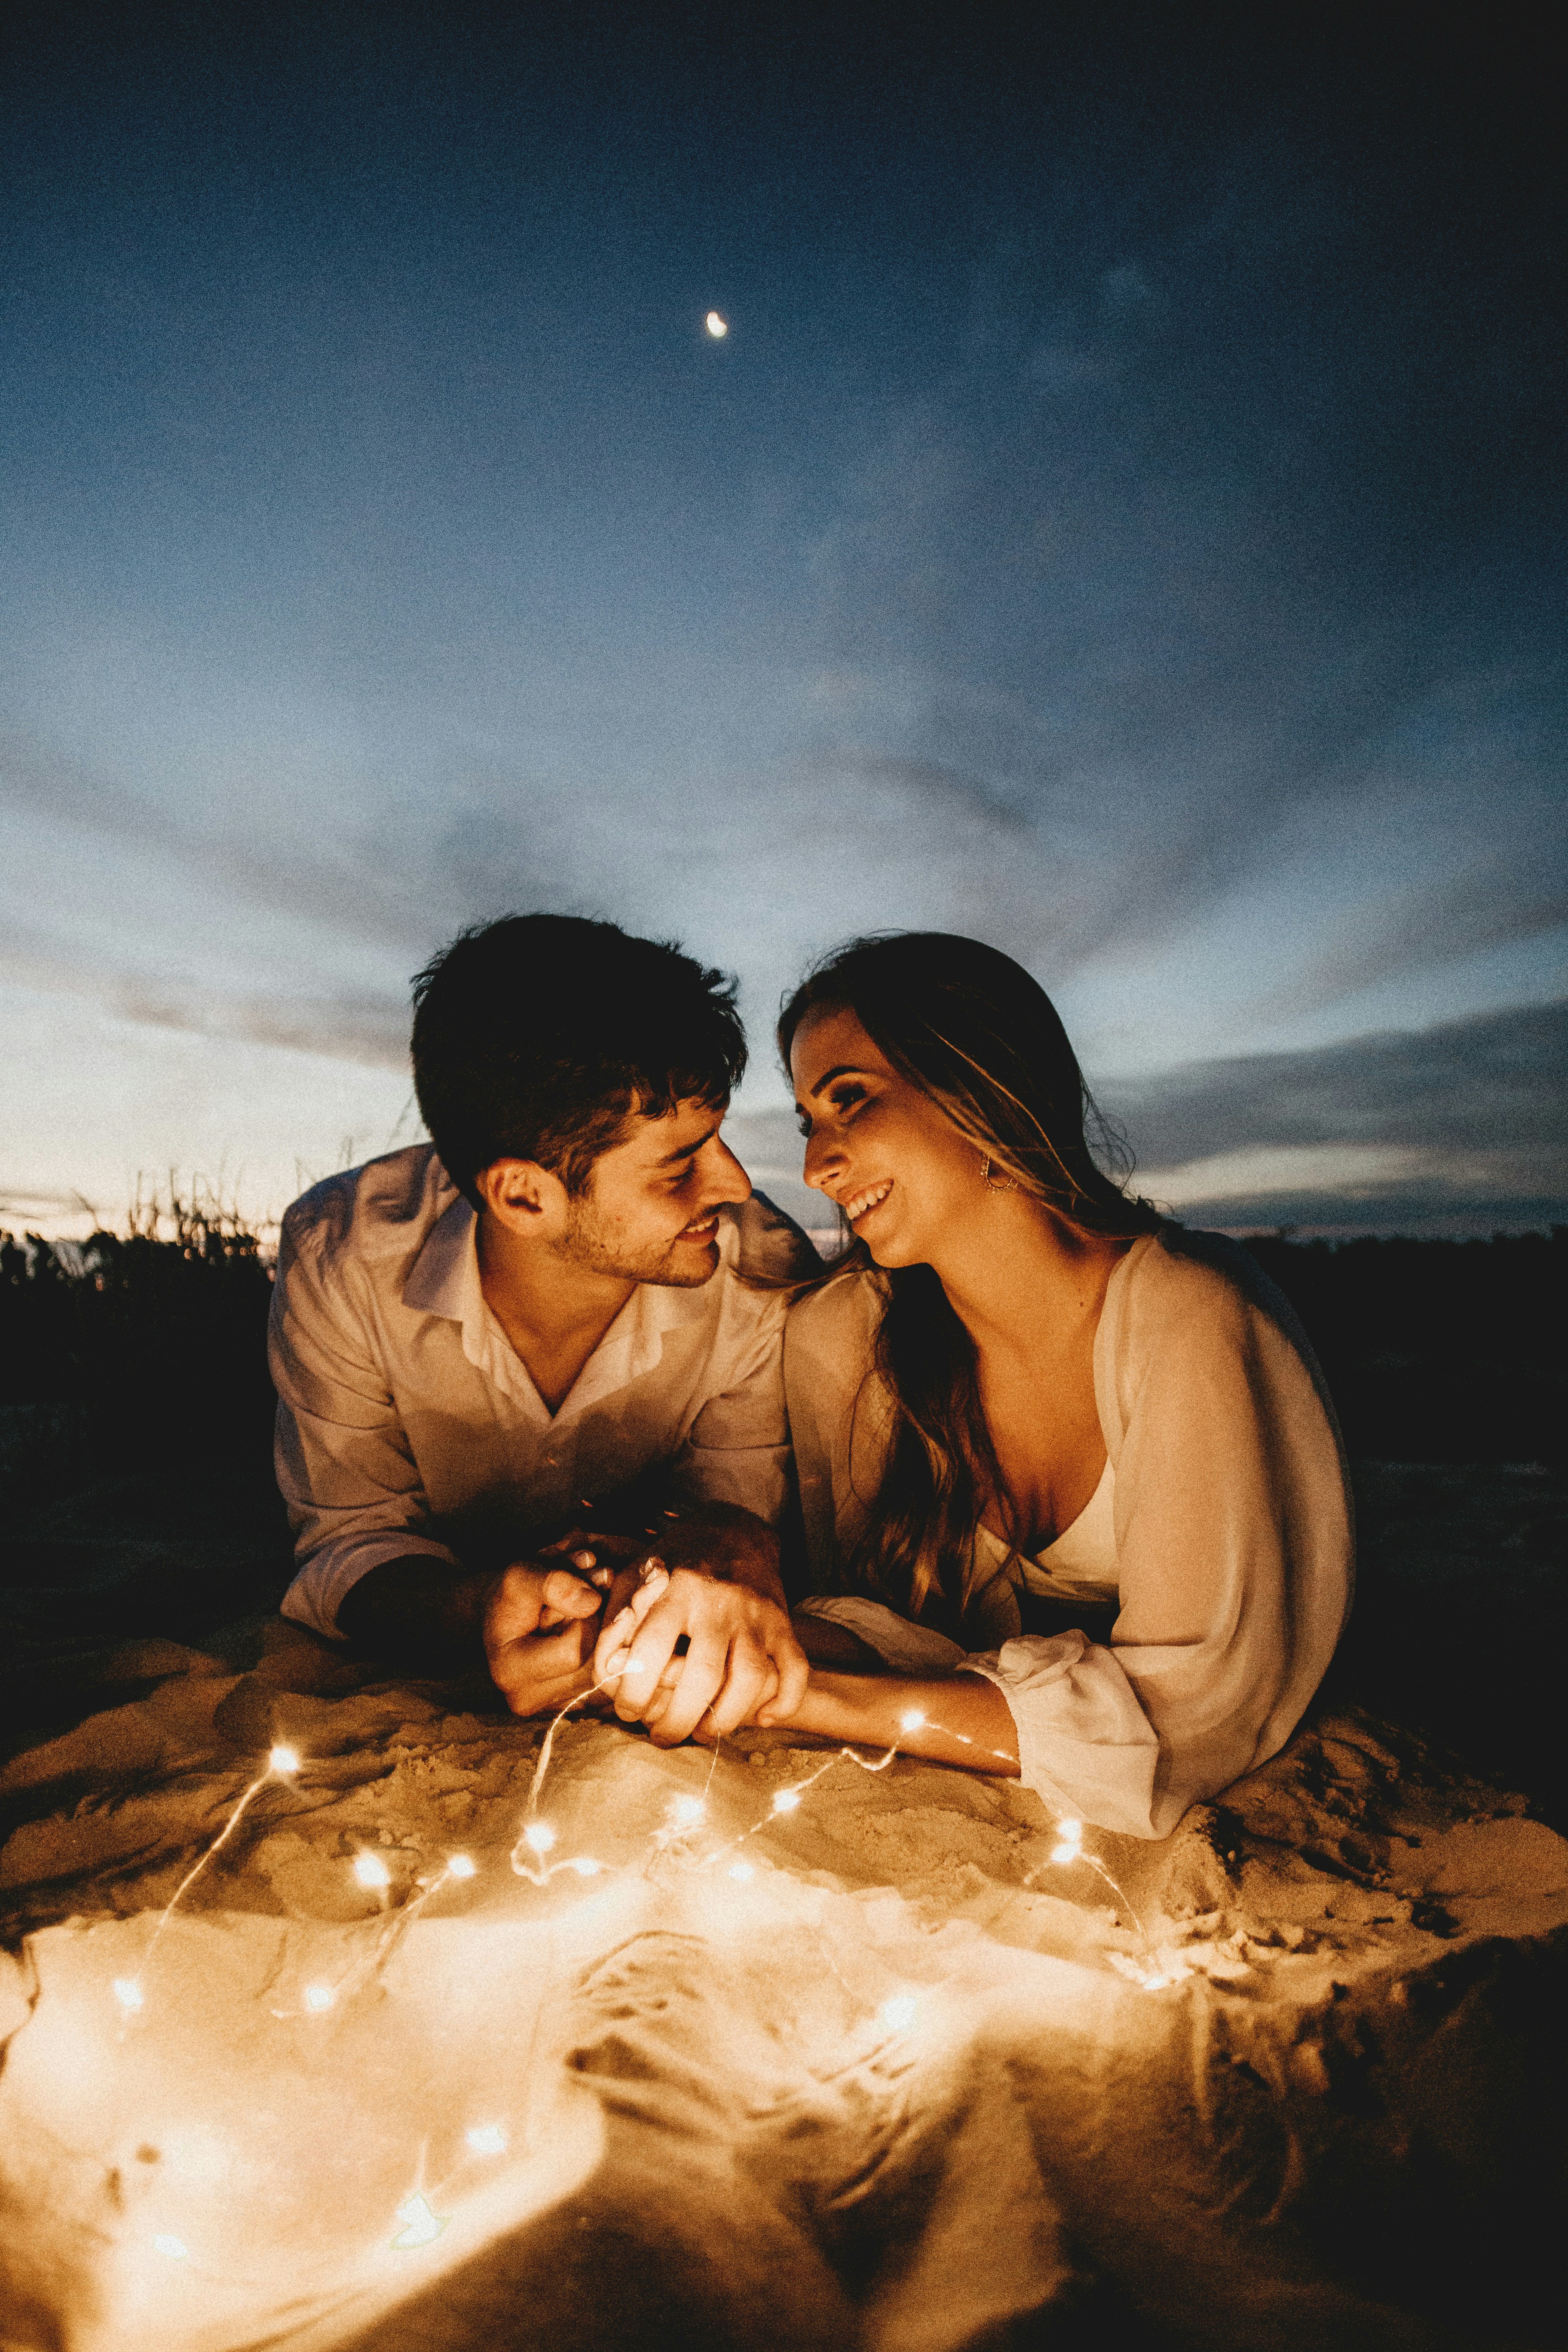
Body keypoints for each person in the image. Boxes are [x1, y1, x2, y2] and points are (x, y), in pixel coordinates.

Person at [609, 931, 1351, 1839]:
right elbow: (886, 1625)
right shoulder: (843, 1338)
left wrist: (800, 1695)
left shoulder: (1192, 1314)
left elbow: (1193, 1712)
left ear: (983, 1091)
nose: (816, 1167)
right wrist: (691, 1628)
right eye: (810, 1124)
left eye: (852, 1103)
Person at [270, 913, 818, 1733]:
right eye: (679, 1164)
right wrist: (475, 1610)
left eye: (720, 1139)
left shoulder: (759, 1273)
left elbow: (735, 1512)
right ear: (525, 1196)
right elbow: (347, 1543)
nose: (735, 1185)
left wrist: (732, 1543)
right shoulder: (342, 1260)